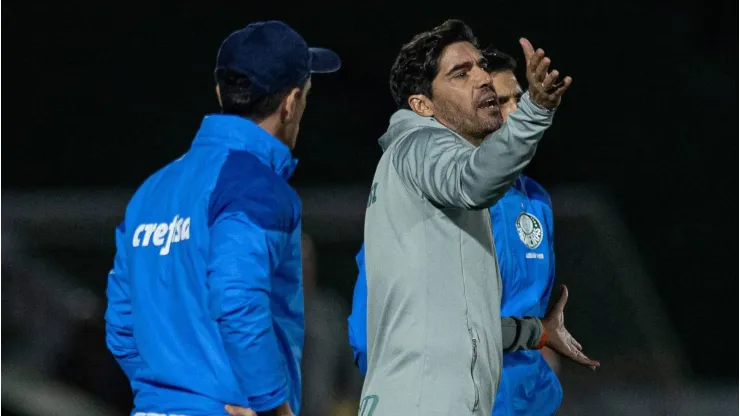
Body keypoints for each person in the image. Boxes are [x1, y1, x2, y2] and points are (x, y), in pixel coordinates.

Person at [358, 19, 598, 416]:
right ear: (422, 105)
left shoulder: (440, 185)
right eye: (460, 73)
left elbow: (466, 324)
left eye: (480, 67)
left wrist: (536, 332)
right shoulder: (417, 146)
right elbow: (472, 180)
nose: (483, 79)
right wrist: (534, 113)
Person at [104, 21, 340, 416]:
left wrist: (169, 395)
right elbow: (237, 299)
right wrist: (271, 407)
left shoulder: (151, 191)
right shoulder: (256, 186)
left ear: (220, 92)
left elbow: (121, 325)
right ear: (291, 101)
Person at [300, 233, 363, 416]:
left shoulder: (330, 313)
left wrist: (350, 400)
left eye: (305, 260)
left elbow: (352, 364)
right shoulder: (271, 314)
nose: (301, 268)